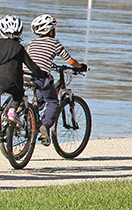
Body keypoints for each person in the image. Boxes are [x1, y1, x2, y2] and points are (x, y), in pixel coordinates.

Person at [26, 14, 87, 146]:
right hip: (41, 77)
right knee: (53, 102)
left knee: (39, 100)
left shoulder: (31, 43)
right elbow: (70, 61)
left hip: (26, 75)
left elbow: (33, 58)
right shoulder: (54, 43)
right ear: (51, 31)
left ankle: (30, 117)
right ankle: (45, 126)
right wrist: (81, 66)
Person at [0, 15, 46, 128]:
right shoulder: (18, 48)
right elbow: (32, 66)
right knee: (19, 92)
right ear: (20, 31)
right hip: (8, 82)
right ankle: (12, 110)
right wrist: (42, 75)